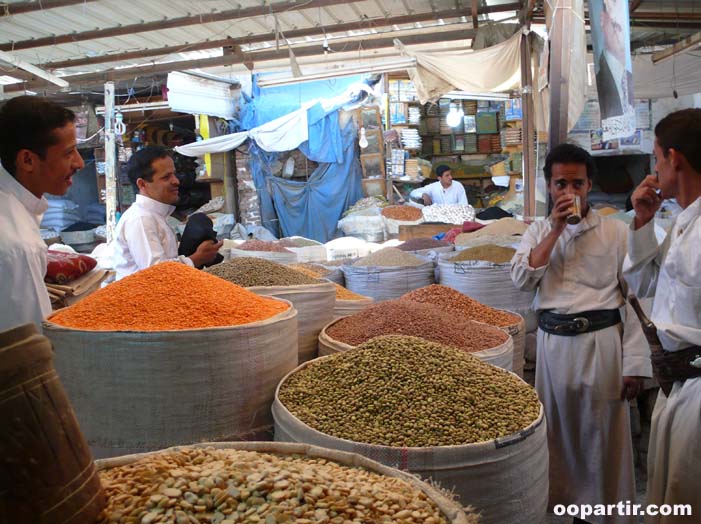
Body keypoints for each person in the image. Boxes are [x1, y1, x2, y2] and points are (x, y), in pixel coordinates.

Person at [510, 143, 650, 524]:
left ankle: (603, 517)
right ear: (548, 187)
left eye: (577, 183)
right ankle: (565, 514)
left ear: (590, 185)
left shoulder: (617, 233)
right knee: (557, 438)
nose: (568, 191)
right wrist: (554, 230)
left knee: (601, 438)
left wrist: (635, 362)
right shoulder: (538, 231)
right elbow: (522, 280)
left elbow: (636, 298)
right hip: (554, 349)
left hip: (601, 346)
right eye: (560, 184)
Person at [623, 109, 701, 524]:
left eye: (655, 158)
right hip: (680, 387)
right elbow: (647, 283)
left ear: (674, 158)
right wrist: (642, 221)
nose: (654, 169)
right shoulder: (685, 223)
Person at [0, 96, 85, 332]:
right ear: (28, 160)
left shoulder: (16, 210)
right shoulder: (18, 247)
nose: (79, 163)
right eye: (68, 153)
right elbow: (32, 345)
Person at [112, 146, 222, 280]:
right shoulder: (141, 219)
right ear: (142, 184)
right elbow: (156, 274)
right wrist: (196, 259)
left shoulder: (155, 216)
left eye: (174, 174)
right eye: (166, 177)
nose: (176, 181)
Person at [595, 0, 634, 119]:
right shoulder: (598, 75)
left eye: (622, 29)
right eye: (615, 25)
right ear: (602, 20)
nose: (620, 35)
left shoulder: (627, 76)